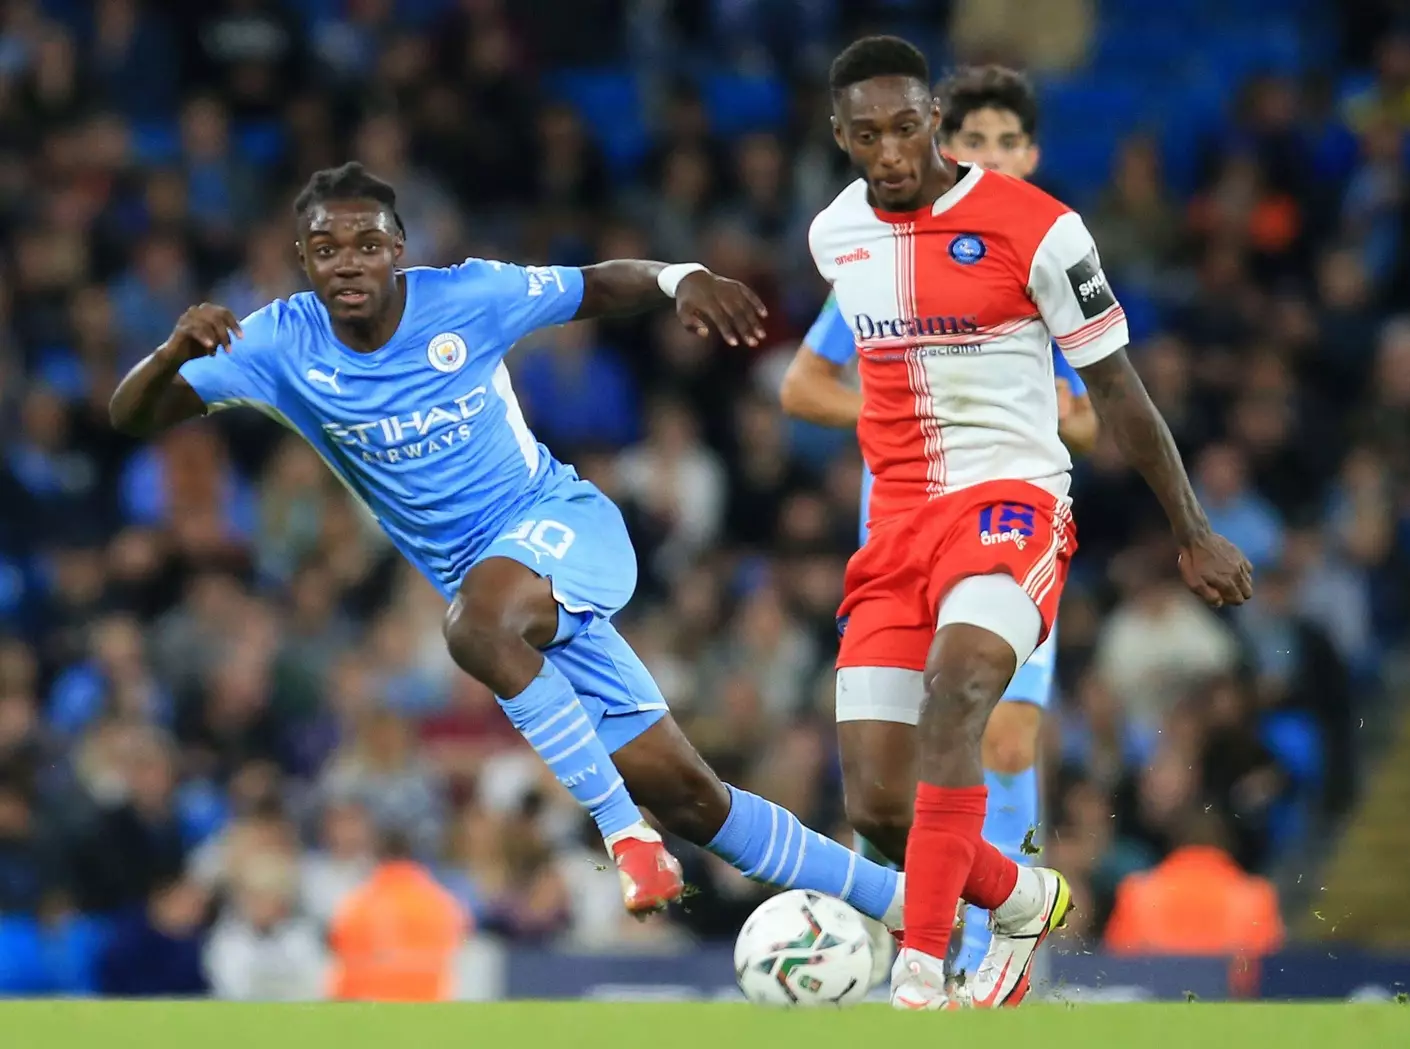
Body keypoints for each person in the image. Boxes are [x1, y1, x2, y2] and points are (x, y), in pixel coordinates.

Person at [109, 162, 916, 938]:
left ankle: (626, 837)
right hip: (509, 599)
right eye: (326, 249)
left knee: (474, 625)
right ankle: (915, 906)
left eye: (366, 244)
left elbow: (597, 284)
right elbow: (131, 415)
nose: (347, 263)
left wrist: (680, 278)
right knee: (694, 799)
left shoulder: (467, 295)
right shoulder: (279, 342)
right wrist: (174, 352)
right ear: (303, 259)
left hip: (562, 526)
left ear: (398, 247)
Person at [811, 37, 1252, 1009]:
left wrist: (1191, 526)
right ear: (841, 136)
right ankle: (1022, 896)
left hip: (1011, 502)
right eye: (867, 134)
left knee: (959, 689)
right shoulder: (836, 234)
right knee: (877, 802)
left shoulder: (1041, 228)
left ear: (934, 120)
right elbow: (813, 382)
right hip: (898, 524)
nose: (890, 150)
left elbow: (1118, 389)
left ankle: (921, 968)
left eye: (906, 126)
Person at [781, 64, 1097, 981]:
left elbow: (1091, 413)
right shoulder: (872, 251)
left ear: (1031, 154)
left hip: (1001, 527)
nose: (990, 155)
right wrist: (909, 411)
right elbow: (803, 384)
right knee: (888, 776)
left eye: (1008, 142)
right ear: (943, 142)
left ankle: (982, 959)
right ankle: (960, 919)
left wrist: (1046, 418)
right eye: (974, 140)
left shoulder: (1035, 256)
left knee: (1000, 736)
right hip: (899, 529)